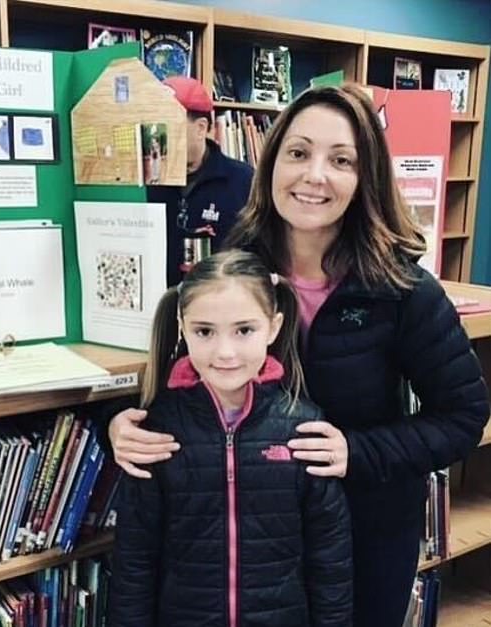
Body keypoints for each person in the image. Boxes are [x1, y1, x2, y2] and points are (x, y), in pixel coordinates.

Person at [107, 84, 489, 627]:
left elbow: (464, 416)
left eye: (341, 160)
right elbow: (180, 365)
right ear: (272, 164)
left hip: (365, 531)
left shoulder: (404, 289)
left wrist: (357, 452)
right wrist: (118, 423)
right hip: (255, 542)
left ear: (365, 178)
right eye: (298, 152)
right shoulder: (234, 264)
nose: (314, 175)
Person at [108, 250, 352, 627]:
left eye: (244, 330)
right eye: (204, 331)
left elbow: (330, 558)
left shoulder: (304, 428)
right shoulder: (156, 433)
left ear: (273, 327)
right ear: (182, 326)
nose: (225, 352)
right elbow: (134, 560)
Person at [152, 76, 254, 286]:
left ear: (201, 128)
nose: (160, 136)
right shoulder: (147, 182)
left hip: (220, 306)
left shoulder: (244, 181)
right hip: (160, 307)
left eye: (170, 125)